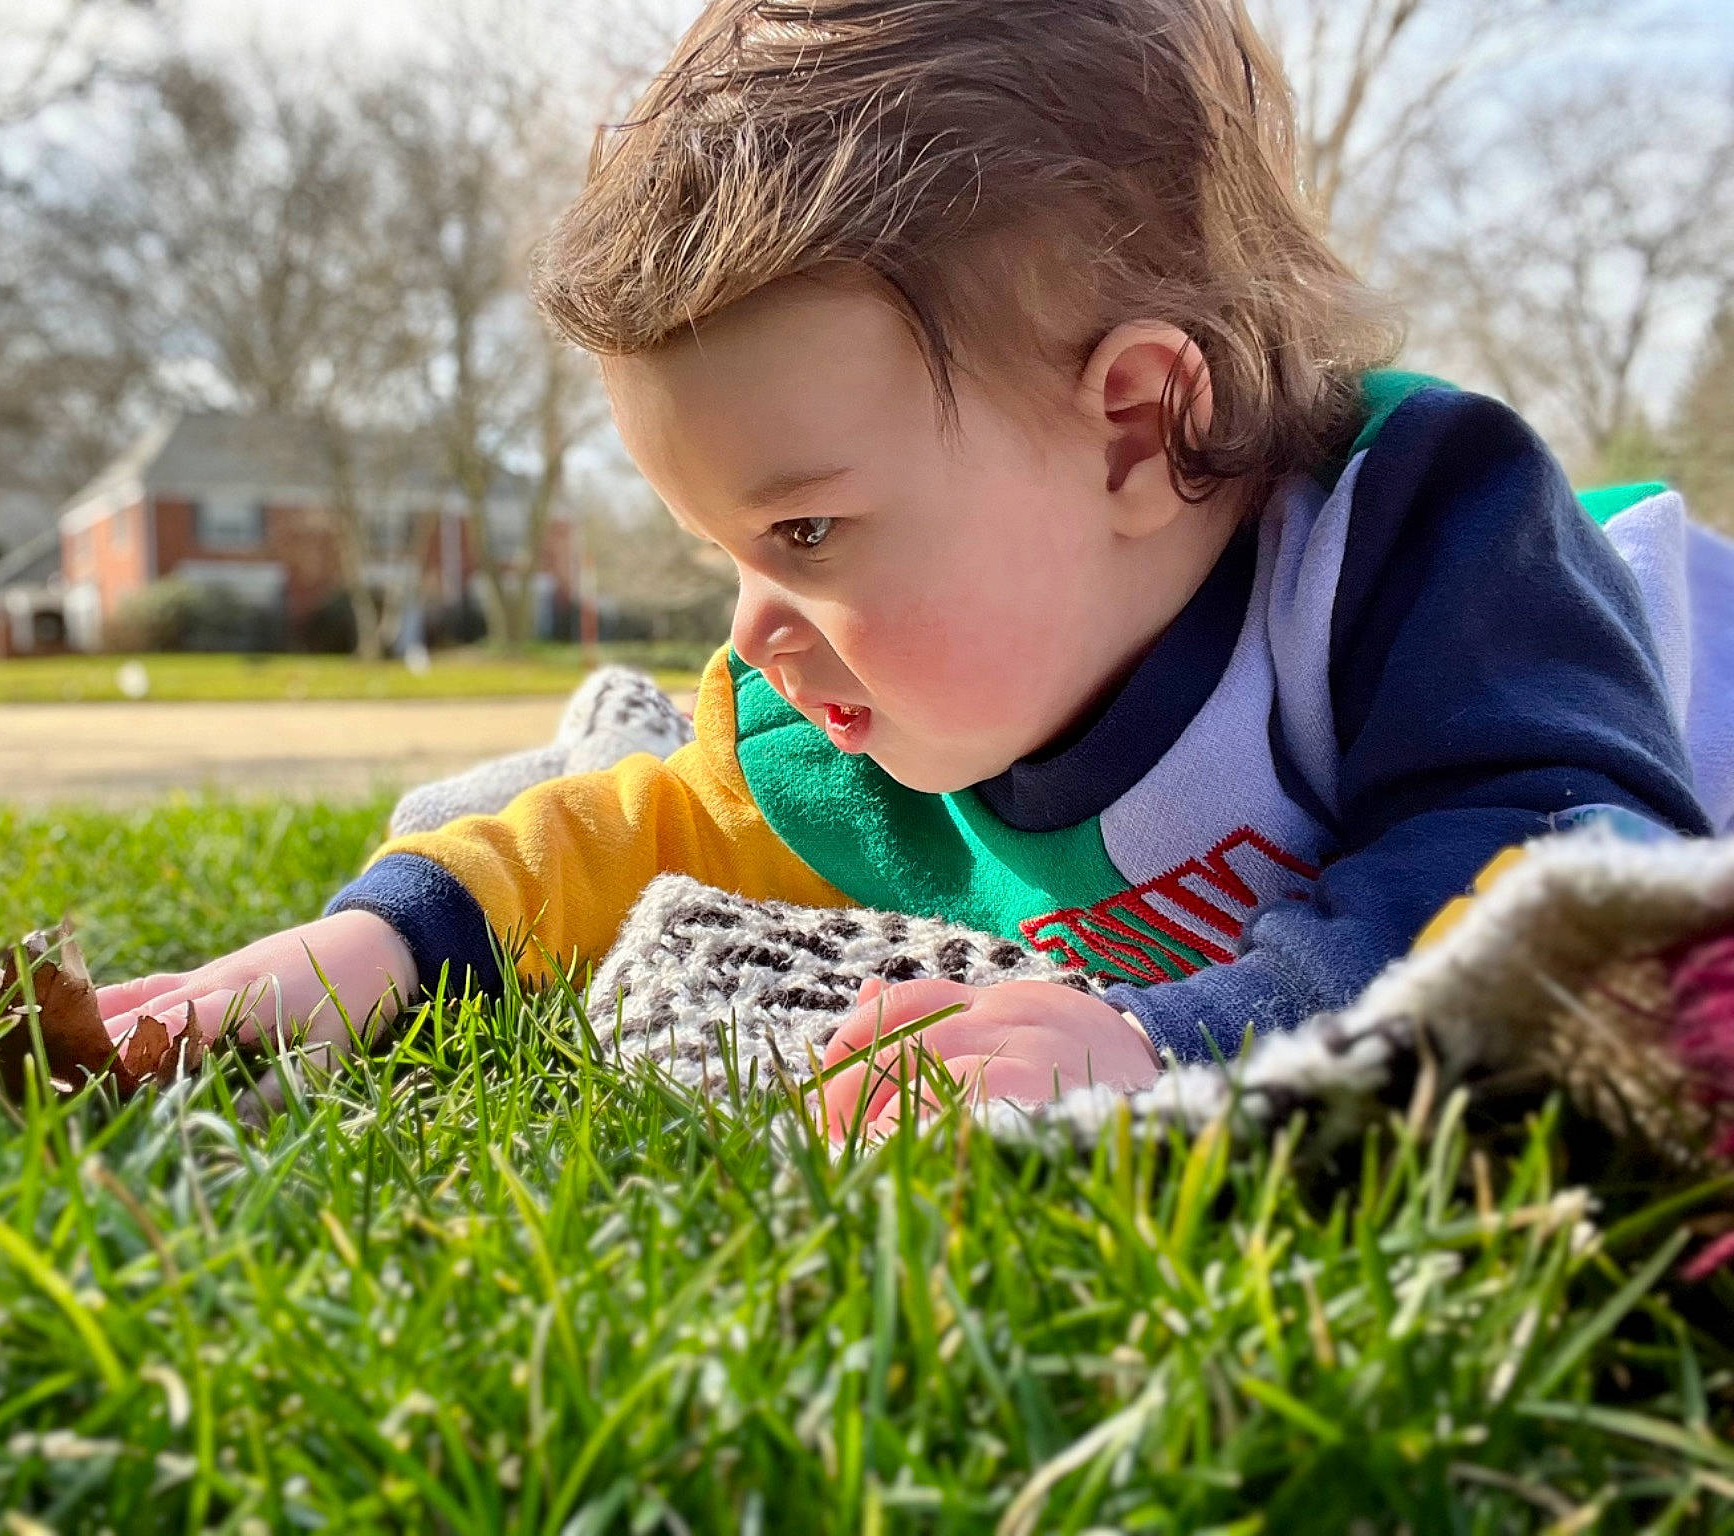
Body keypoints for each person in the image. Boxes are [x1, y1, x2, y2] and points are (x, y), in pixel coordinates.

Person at [94, 0, 1730, 1137]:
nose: (758, 636)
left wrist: (1178, 1039)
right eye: (724, 554)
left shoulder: (1418, 542)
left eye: (804, 532)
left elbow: (1559, 876)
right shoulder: (858, 725)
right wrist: (368, 948)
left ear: (1139, 428)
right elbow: (645, 825)